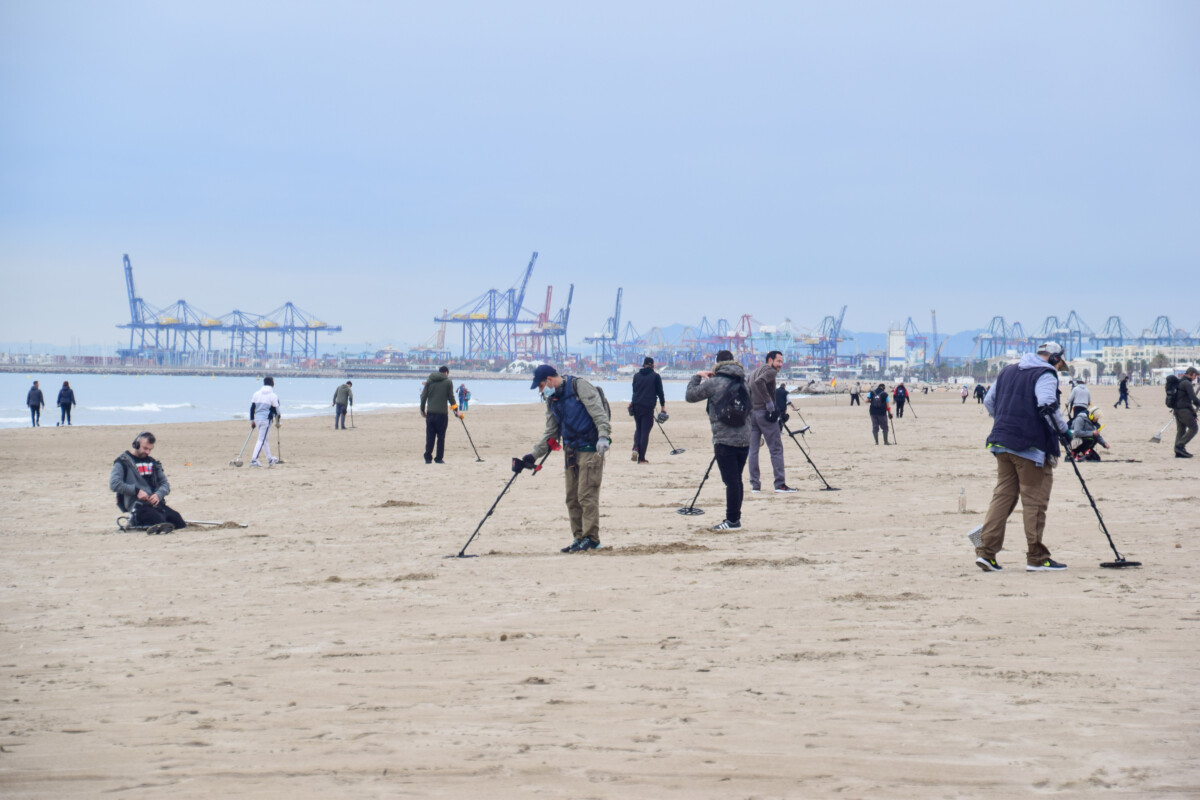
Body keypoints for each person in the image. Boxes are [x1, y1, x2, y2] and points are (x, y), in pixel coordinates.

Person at [973, 341, 1072, 573]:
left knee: (1003, 497)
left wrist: (1006, 422)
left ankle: (986, 553)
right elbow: (1047, 404)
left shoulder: (1008, 370)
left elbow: (989, 402)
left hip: (1001, 442)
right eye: (1058, 365)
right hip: (1030, 447)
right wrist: (1064, 432)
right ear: (1054, 359)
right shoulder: (1045, 373)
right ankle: (1036, 557)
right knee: (1034, 500)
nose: (1058, 369)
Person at [518, 364, 611, 552]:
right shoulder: (552, 400)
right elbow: (551, 433)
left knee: (586, 495)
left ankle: (591, 539)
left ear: (550, 380)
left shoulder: (580, 386)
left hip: (590, 448)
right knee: (572, 498)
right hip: (570, 452)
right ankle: (579, 538)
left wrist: (604, 436)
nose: (541, 391)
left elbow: (599, 414)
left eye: (541, 386)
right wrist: (533, 455)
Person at [686, 349, 752, 531]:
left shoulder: (714, 383)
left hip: (724, 439)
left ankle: (732, 521)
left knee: (731, 482)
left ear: (716, 363)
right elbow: (750, 409)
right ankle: (735, 518)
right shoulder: (744, 383)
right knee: (737, 480)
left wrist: (697, 376)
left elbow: (690, 396)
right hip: (745, 439)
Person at [109, 431, 186, 534]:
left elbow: (165, 484)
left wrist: (158, 495)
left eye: (150, 449)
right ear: (135, 444)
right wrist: (137, 491)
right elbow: (114, 484)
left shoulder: (153, 462)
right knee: (159, 521)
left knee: (179, 522)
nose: (147, 452)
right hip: (138, 506)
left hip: (156, 505)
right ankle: (134, 521)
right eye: (145, 448)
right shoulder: (122, 462)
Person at [747, 351, 795, 493]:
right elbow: (759, 382)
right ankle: (780, 484)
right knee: (776, 449)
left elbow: (748, 385)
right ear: (770, 360)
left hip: (752, 414)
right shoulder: (770, 371)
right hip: (765, 414)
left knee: (753, 451)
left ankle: (755, 485)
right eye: (778, 361)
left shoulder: (754, 371)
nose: (780, 364)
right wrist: (769, 402)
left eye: (781, 361)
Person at [420, 366, 461, 464]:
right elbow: (451, 398)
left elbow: (423, 396)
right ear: (446, 372)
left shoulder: (430, 380)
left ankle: (428, 458)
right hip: (442, 414)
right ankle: (438, 458)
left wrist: (422, 409)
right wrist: (456, 411)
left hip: (430, 413)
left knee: (430, 436)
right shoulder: (448, 382)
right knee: (441, 437)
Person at [629, 356, 666, 463]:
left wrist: (632, 403)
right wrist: (663, 406)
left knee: (638, 429)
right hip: (648, 407)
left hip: (636, 406)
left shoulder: (636, 376)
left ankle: (636, 447)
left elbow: (635, 391)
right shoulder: (655, 376)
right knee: (645, 432)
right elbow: (660, 393)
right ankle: (641, 458)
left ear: (643, 365)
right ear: (653, 365)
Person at [249, 377, 281, 467]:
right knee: (261, 440)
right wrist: (278, 422)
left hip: (257, 419)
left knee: (264, 440)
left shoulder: (256, 394)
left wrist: (252, 420)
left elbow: (252, 408)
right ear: (272, 383)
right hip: (266, 420)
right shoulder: (273, 396)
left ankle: (270, 459)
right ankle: (254, 460)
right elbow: (277, 411)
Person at [1170, 366, 1200, 459]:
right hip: (1183, 410)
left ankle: (1179, 451)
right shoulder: (1187, 383)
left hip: (1177, 410)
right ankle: (1179, 446)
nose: (1195, 378)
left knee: (1181, 430)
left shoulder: (1180, 382)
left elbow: (1186, 399)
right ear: (1191, 374)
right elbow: (1193, 398)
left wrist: (1194, 412)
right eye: (1195, 375)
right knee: (1194, 428)